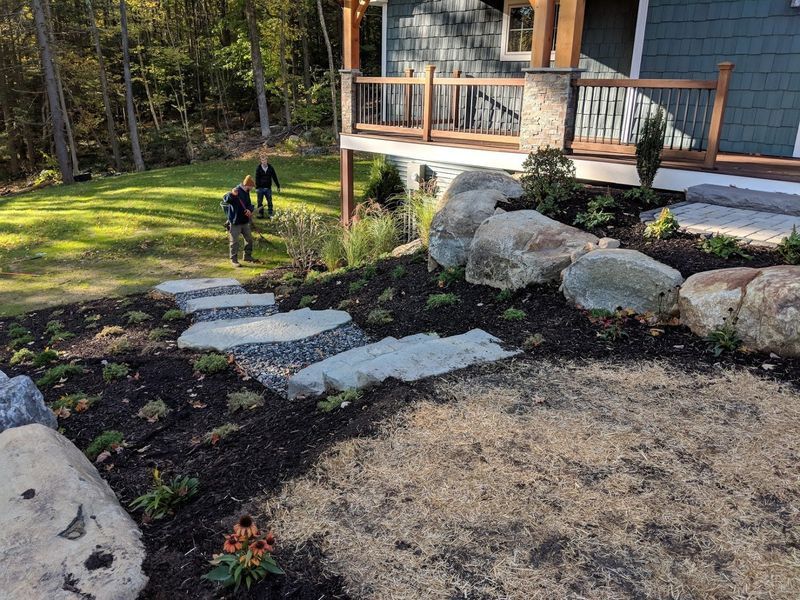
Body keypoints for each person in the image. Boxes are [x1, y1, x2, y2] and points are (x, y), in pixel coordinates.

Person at [221, 175, 260, 267]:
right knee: (234, 242)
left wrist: (249, 210)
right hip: (235, 222)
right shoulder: (236, 191)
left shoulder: (246, 192)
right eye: (251, 186)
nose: (252, 188)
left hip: (244, 221)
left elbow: (249, 204)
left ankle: (247, 256)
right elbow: (226, 198)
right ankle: (233, 260)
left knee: (249, 239)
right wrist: (232, 194)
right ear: (247, 185)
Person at [254, 153, 281, 218]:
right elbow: (257, 178)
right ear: (261, 161)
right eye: (262, 160)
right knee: (259, 202)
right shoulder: (258, 168)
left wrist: (278, 185)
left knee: (269, 201)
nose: (264, 162)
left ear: (267, 160)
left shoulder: (270, 168)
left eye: (265, 160)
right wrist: (257, 188)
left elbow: (274, 177)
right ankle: (260, 214)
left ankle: (270, 213)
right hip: (260, 188)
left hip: (268, 187)